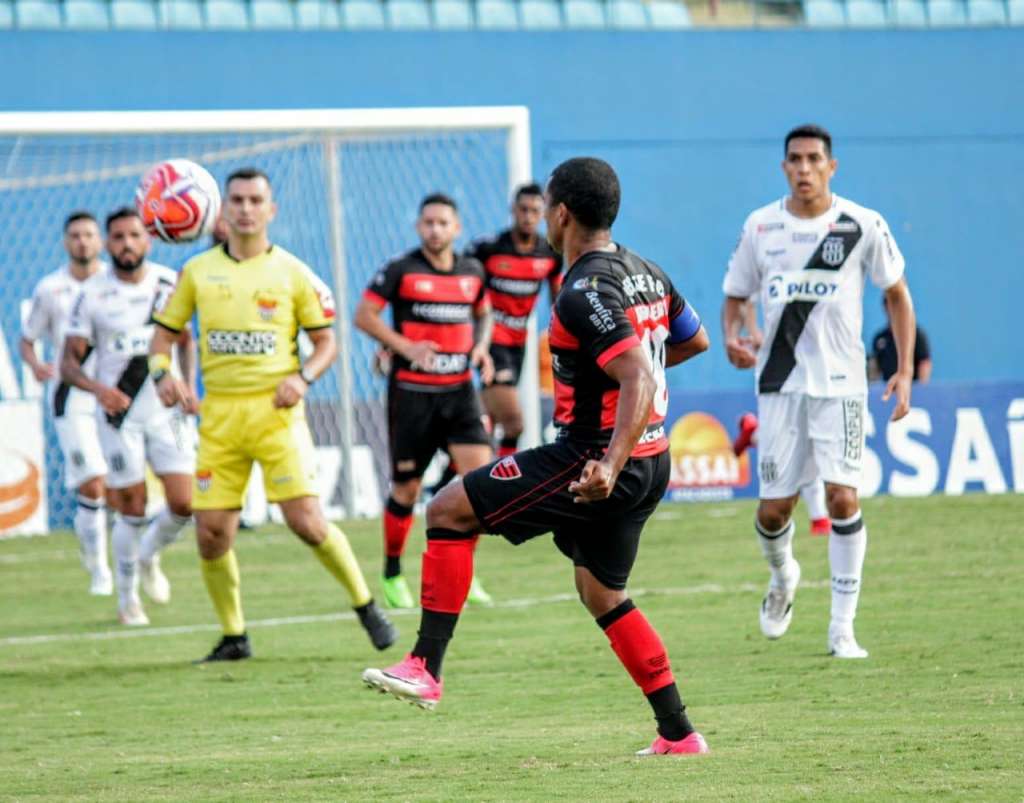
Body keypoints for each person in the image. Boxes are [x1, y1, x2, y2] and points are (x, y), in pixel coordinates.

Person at [363, 157, 713, 757]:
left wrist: (607, 458)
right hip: (652, 459)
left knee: (447, 510)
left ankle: (425, 665)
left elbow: (638, 377)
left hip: (593, 461)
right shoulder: (645, 270)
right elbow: (692, 340)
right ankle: (678, 733)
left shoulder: (584, 289)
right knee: (603, 594)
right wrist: (620, 399)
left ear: (560, 214)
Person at [149, 167, 395, 661]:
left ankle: (367, 605)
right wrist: (162, 374)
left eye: (254, 199)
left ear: (270, 209)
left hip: (276, 416)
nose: (244, 208)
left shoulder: (293, 272)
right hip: (219, 419)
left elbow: (327, 341)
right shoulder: (196, 272)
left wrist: (302, 378)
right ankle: (234, 635)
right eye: (236, 199)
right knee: (211, 531)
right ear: (223, 209)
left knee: (305, 521)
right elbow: (162, 337)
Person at [721, 124, 916, 659]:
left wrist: (900, 369)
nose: (804, 168)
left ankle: (842, 629)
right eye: (794, 159)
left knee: (842, 497)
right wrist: (733, 336)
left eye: (813, 159)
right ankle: (784, 578)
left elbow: (897, 294)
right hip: (780, 387)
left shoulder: (861, 225)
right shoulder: (761, 227)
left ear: (832, 166)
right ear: (783, 167)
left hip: (842, 388)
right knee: (773, 512)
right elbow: (736, 296)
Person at [354, 193, 497, 611]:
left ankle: (463, 574)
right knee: (406, 488)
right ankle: (393, 572)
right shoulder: (401, 270)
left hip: (459, 394)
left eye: (442, 223)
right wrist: (405, 347)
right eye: (428, 223)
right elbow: (364, 316)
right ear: (419, 227)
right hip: (412, 396)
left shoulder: (472, 272)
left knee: (480, 482)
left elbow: (484, 313)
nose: (435, 229)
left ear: (457, 228)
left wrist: (482, 347)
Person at [62, 207, 197, 625]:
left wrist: (188, 384)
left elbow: (185, 339)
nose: (126, 244)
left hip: (167, 410)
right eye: (117, 237)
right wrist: (99, 391)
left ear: (148, 240)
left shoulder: (168, 283)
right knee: (132, 507)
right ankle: (127, 600)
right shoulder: (91, 295)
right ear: (107, 243)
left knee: (185, 502)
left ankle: (149, 555)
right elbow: (69, 364)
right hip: (119, 415)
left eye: (133, 236)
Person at [20, 211, 113, 595]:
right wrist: (36, 364)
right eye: (75, 235)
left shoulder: (116, 283)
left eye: (90, 235)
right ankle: (100, 570)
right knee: (92, 481)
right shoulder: (49, 289)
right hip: (70, 394)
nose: (83, 242)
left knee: (121, 486)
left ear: (100, 241)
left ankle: (117, 555)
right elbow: (28, 339)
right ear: (65, 242)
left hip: (114, 393)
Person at [469, 182, 562, 459]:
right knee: (514, 422)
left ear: (543, 213)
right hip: (490, 342)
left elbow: (558, 299)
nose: (528, 216)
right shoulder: (489, 249)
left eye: (535, 211)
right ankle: (500, 486)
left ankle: (457, 475)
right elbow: (463, 283)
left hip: (519, 345)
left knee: (491, 421)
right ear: (512, 210)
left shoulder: (549, 254)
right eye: (523, 209)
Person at [869, 294, 932, 382]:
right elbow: (875, 370)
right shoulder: (879, 338)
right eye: (890, 304)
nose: (894, 309)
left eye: (897, 304)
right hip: (888, 391)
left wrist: (921, 390)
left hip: (912, 390)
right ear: (885, 307)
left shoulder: (916, 334)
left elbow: (924, 363)